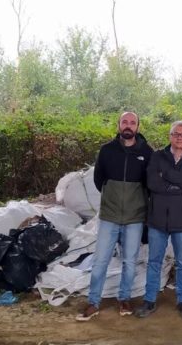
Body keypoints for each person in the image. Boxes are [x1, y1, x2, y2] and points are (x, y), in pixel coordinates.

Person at [76, 111, 153, 321]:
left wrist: (136, 203)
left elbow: (149, 184)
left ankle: (124, 299)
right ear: (119, 125)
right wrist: (112, 196)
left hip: (134, 218)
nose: (128, 125)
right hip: (109, 217)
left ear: (138, 126)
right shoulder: (107, 150)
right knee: (100, 260)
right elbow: (99, 179)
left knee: (130, 261)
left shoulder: (147, 152)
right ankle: (93, 302)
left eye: (132, 122)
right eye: (124, 122)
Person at [134, 120, 182, 321]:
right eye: (176, 134)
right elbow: (152, 182)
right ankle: (149, 301)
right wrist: (179, 183)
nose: (179, 137)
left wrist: (166, 175)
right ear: (170, 136)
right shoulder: (157, 157)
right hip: (158, 220)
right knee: (154, 261)